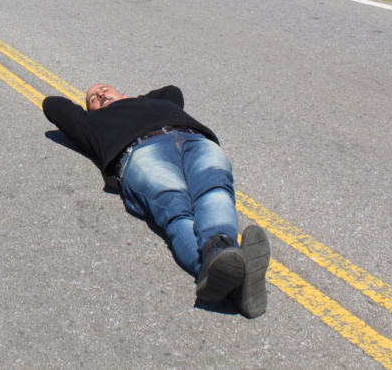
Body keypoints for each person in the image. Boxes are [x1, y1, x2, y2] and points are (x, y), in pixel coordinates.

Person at [42, 83, 270, 318]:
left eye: (103, 89)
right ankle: (225, 264)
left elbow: (172, 90)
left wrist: (129, 102)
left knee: (215, 191)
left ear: (124, 93)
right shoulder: (88, 123)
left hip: (195, 140)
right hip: (140, 150)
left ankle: (225, 270)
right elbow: (53, 104)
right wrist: (94, 110)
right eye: (92, 98)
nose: (99, 94)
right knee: (177, 208)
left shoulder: (160, 103)